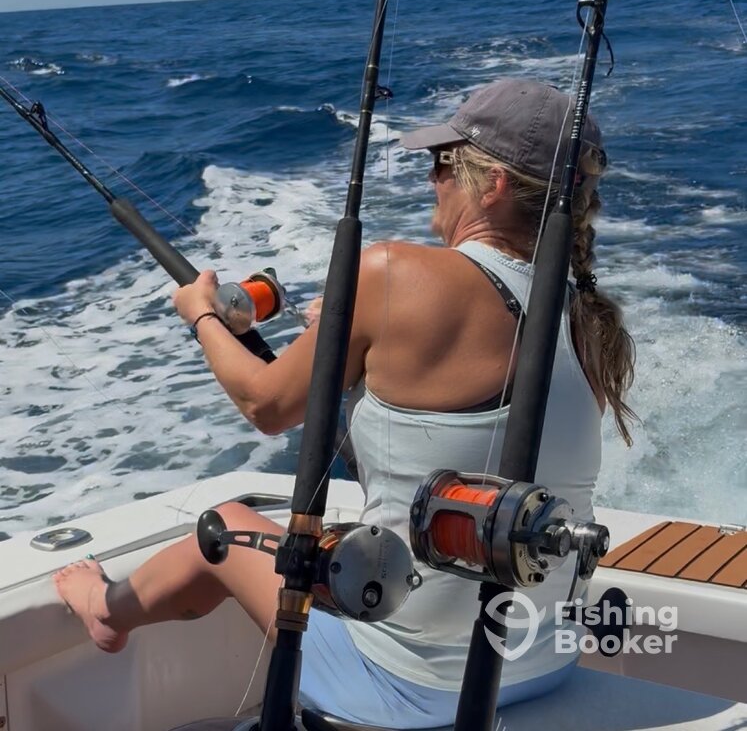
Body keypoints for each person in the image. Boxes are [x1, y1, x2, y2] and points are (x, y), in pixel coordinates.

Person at [55, 78, 635, 729]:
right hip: (543, 661)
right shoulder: (586, 318)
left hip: (407, 685)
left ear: (493, 184)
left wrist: (201, 316)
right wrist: (346, 336)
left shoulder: (393, 274)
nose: (432, 179)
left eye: (442, 162)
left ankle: (106, 612)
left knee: (224, 528)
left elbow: (264, 404)